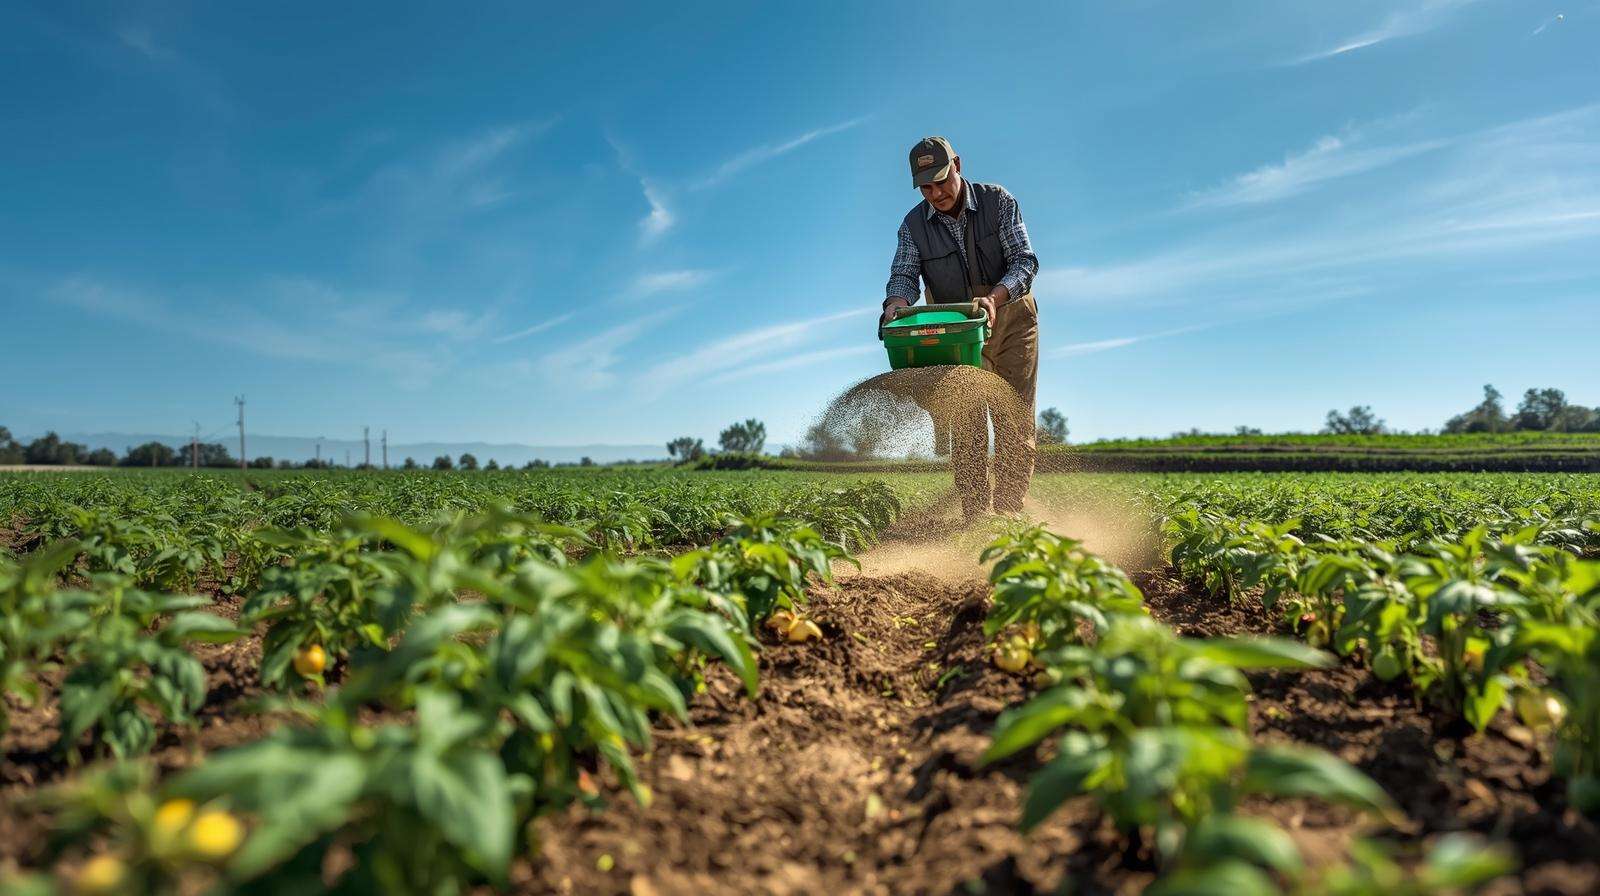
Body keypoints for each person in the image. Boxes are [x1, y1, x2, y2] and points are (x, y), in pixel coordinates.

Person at [882, 136, 1040, 521]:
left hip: (1011, 320)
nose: (935, 193)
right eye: (925, 186)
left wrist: (995, 299)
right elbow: (904, 275)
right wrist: (895, 306)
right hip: (956, 332)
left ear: (957, 164)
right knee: (966, 421)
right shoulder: (913, 225)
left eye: (940, 180)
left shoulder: (997, 201)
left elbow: (1024, 262)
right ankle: (975, 515)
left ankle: (1007, 512)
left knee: (1013, 418)